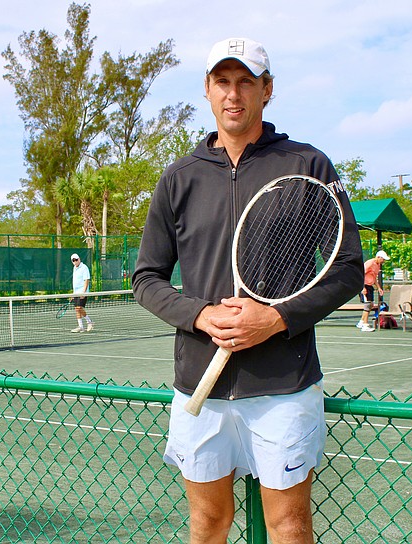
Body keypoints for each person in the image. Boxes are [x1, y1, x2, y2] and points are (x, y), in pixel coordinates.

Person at [132, 37, 363, 544]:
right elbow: (146, 277)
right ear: (208, 91)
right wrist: (199, 316)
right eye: (222, 82)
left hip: (283, 384)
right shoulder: (179, 178)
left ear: (267, 90)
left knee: (289, 525)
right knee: (209, 523)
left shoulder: (308, 164)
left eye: (245, 82)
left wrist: (275, 320)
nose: (233, 94)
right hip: (201, 384)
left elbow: (347, 268)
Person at [358, 250, 389, 332]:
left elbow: (374, 277)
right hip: (364, 286)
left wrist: (379, 287)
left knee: (370, 304)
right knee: (367, 305)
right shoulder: (370, 263)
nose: (384, 261)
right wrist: (362, 288)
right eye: (383, 259)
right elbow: (361, 274)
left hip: (370, 286)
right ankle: (365, 325)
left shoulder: (377, 265)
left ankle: (361, 322)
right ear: (378, 257)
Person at [69, 253, 94, 332]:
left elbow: (86, 280)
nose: (75, 261)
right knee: (77, 309)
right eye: (73, 260)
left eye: (76, 260)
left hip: (82, 292)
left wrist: (84, 292)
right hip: (76, 293)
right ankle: (81, 327)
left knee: (79, 307)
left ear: (79, 259)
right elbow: (75, 282)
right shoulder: (74, 268)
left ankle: (89, 322)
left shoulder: (84, 267)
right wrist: (73, 294)